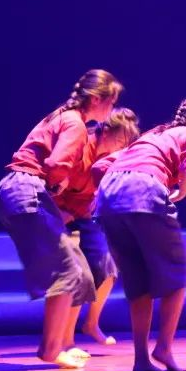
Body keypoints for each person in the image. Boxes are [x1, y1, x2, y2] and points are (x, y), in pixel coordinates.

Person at [0, 69, 122, 369]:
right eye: (111, 102)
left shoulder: (61, 115)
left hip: (16, 190)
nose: (112, 109)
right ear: (96, 99)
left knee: (77, 271)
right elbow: (56, 164)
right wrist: (58, 183)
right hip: (27, 189)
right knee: (68, 270)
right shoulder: (76, 124)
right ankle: (52, 349)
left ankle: (58, 345)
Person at [97, 97, 186, 371]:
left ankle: (141, 360)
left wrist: (109, 196)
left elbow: (100, 167)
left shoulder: (152, 135)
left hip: (108, 195)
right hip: (143, 189)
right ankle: (163, 347)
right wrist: (183, 189)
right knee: (178, 272)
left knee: (138, 281)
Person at [55, 107, 140, 349]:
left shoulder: (112, 158)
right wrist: (58, 212)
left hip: (82, 214)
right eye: (120, 139)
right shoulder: (80, 148)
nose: (122, 145)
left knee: (107, 266)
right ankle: (65, 340)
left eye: (126, 142)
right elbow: (53, 179)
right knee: (79, 274)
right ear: (106, 131)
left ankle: (91, 323)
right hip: (58, 214)